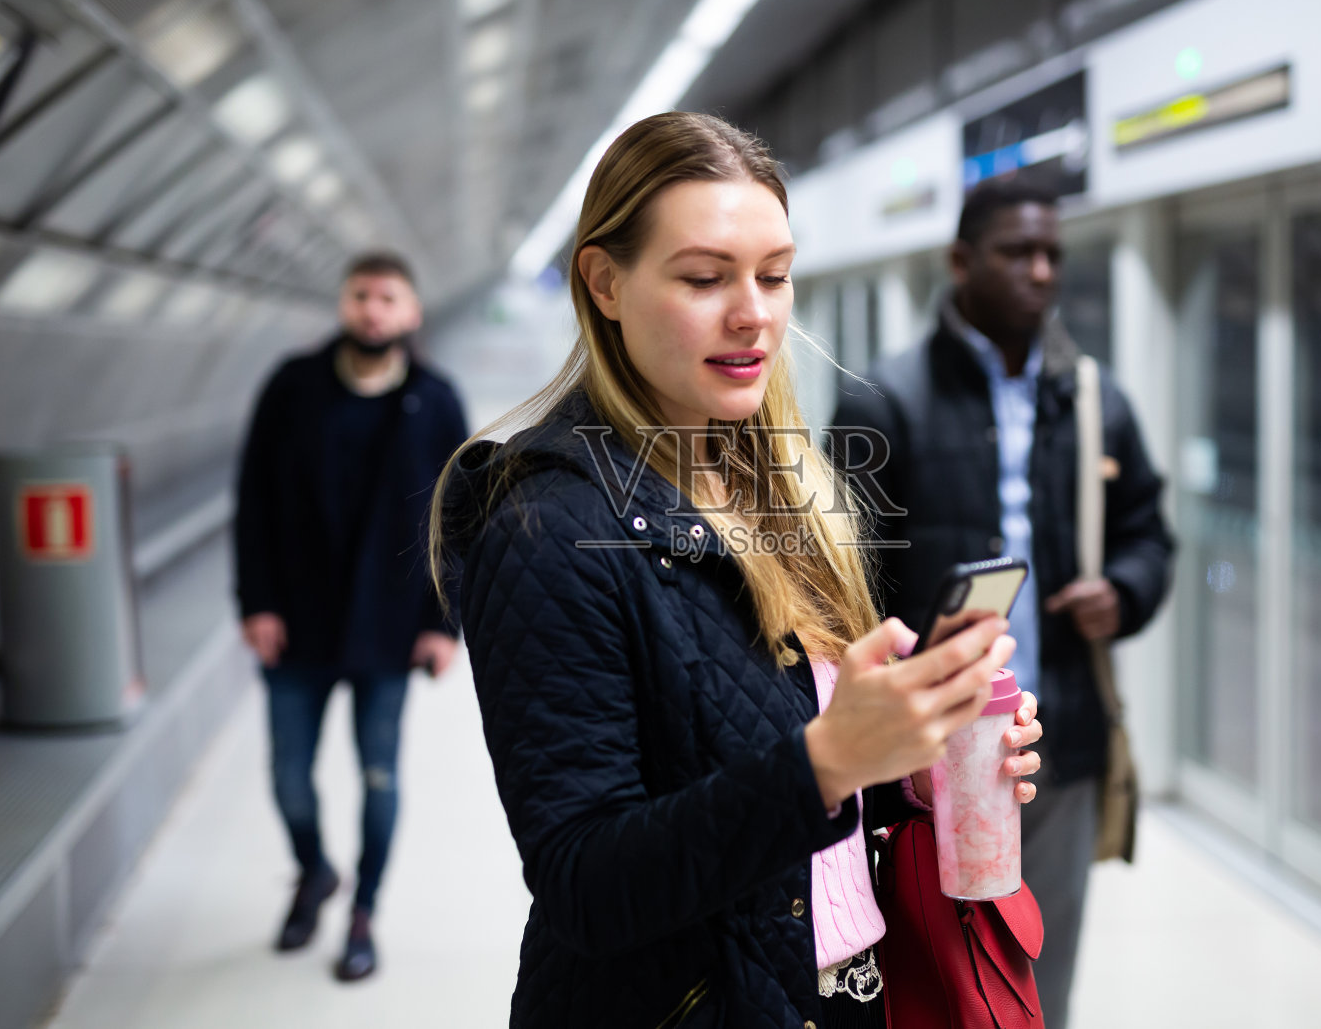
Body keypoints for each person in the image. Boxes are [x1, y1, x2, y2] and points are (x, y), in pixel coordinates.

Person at [431, 112, 1047, 1028]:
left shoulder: (779, 488)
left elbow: (776, 754)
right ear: (604, 282)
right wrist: (830, 760)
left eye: (775, 275)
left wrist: (908, 756)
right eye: (704, 277)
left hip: (834, 995)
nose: (753, 311)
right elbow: (585, 883)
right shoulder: (545, 523)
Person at [829, 178, 1175, 1029]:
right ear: (961, 262)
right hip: (924, 751)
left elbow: (1149, 533)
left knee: (1035, 976)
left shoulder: (1093, 399)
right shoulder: (886, 398)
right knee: (937, 972)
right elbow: (842, 585)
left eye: (1053, 253)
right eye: (1018, 252)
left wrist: (1123, 589)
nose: (1041, 270)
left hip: (1052, 733)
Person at [234, 251, 468, 982]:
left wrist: (443, 621)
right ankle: (313, 871)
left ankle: (364, 910)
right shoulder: (292, 387)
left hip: (389, 628)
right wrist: (257, 602)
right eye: (361, 295)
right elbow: (253, 501)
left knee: (377, 777)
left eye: (388, 297)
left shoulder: (435, 400)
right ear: (343, 303)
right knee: (289, 778)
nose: (373, 309)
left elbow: (456, 517)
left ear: (411, 312)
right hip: (297, 623)